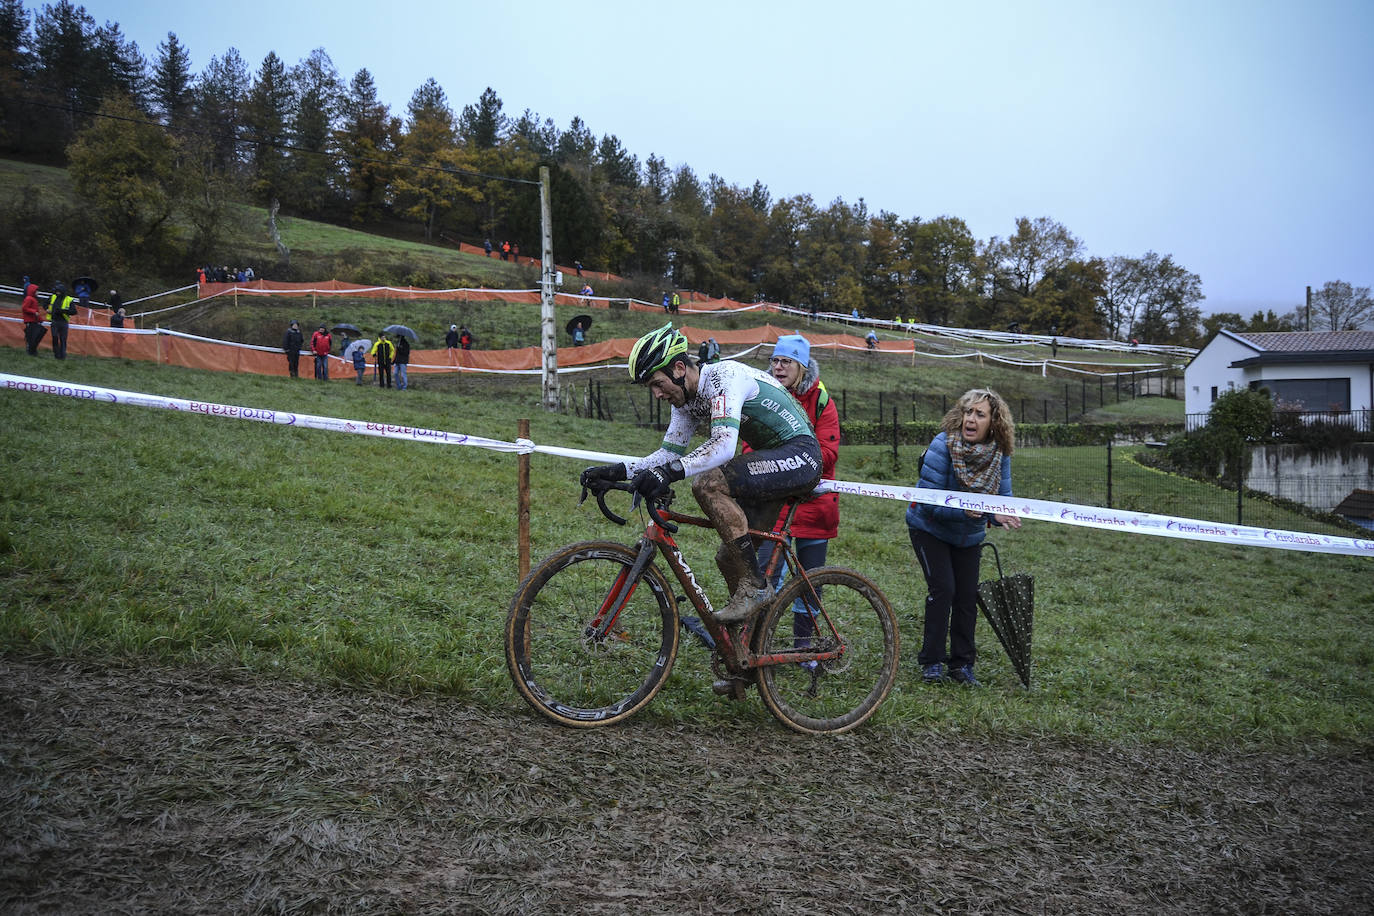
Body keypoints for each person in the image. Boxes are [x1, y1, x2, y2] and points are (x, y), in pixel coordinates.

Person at [580, 324, 822, 624]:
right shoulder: (685, 400)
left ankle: (756, 588)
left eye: (657, 384)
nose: (656, 394)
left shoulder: (723, 378)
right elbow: (668, 455)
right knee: (728, 559)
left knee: (707, 484)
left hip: (800, 455)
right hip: (770, 460)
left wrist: (667, 474)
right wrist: (616, 471)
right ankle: (745, 649)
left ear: (680, 368)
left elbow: (723, 446)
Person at [907, 388, 1022, 687]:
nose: (971, 419)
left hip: (968, 535)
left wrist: (1000, 513)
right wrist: (977, 513)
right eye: (968, 412)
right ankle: (931, 662)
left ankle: (962, 665)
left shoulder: (1000, 453)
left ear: (993, 423)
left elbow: (1002, 499)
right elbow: (930, 502)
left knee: (967, 597)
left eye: (979, 414)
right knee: (943, 589)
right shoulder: (942, 445)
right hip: (928, 527)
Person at [755, 335, 841, 659]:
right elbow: (751, 446)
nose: (778, 367)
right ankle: (758, 643)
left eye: (786, 362)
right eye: (775, 361)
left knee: (810, 583)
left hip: (815, 507)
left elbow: (829, 452)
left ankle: (803, 648)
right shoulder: (763, 394)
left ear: (801, 367)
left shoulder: (821, 400)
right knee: (764, 578)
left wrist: (789, 460)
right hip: (775, 503)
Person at [47, 282, 76, 359]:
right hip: (54, 321)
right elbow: (45, 304)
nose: (57, 293)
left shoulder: (69, 299)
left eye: (59, 292)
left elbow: (74, 311)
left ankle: (62, 356)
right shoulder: (53, 297)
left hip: (63, 322)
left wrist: (62, 311)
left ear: (62, 291)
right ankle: (56, 354)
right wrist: (47, 309)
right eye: (56, 292)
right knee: (55, 337)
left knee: (63, 340)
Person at [21, 282, 44, 355]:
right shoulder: (29, 299)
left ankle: (32, 351)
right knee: (31, 337)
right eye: (37, 291)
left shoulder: (33, 299)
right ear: (33, 291)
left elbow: (35, 312)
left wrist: (40, 319)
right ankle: (30, 351)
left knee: (33, 337)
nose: (38, 292)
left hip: (34, 320)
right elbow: (24, 308)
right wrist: (34, 312)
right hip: (30, 321)